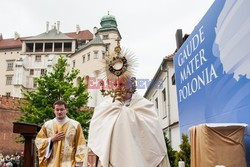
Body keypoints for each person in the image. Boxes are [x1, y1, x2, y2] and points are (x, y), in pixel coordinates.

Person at [88, 76, 170, 167]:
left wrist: (122, 111)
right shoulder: (104, 107)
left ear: (131, 86)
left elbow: (152, 135)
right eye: (115, 84)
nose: (118, 88)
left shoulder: (145, 105)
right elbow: (95, 136)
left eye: (122, 84)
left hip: (136, 159)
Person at [35, 100, 87, 167]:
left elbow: (80, 144)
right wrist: (51, 140)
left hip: (69, 163)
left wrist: (79, 163)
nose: (59, 112)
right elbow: (38, 141)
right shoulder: (47, 125)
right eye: (57, 110)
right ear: (54, 111)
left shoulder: (75, 125)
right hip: (51, 163)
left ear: (66, 110)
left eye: (62, 109)